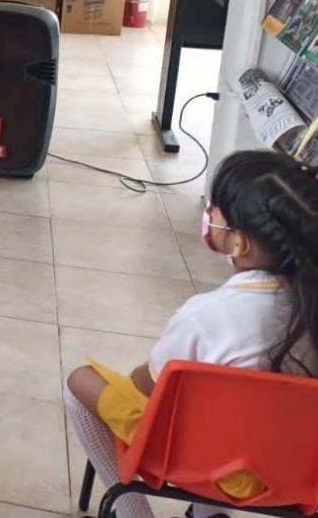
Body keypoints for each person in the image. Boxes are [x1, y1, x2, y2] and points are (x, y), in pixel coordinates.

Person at [65, 151, 318, 518]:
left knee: (79, 385)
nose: (210, 214)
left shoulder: (206, 314)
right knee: (230, 413)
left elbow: (147, 386)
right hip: (298, 472)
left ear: (239, 243)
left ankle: (134, 511)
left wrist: (138, 376)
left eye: (217, 210)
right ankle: (209, 516)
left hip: (203, 465)